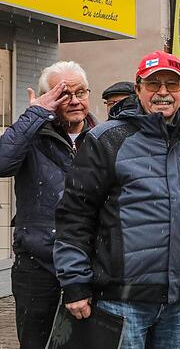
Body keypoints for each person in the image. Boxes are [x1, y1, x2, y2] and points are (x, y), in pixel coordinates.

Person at [54, 50, 180, 348]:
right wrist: (74, 282)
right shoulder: (108, 140)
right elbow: (75, 214)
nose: (163, 92)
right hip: (121, 302)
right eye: (153, 84)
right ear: (137, 89)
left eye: (172, 85)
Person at [0, 61, 97, 349]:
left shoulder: (103, 137)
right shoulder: (32, 137)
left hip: (87, 263)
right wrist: (35, 114)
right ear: (49, 98)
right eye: (64, 94)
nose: (76, 100)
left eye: (81, 92)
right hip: (37, 265)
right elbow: (2, 163)